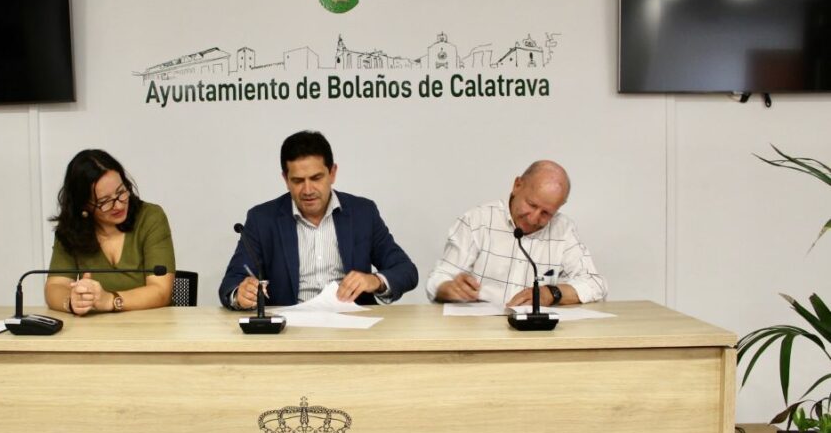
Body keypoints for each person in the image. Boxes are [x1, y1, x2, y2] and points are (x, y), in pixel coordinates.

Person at [218, 130, 418, 309]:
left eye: (316, 178)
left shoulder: (363, 213)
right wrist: (240, 294)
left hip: (353, 325)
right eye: (298, 181)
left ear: (332, 173)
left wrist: (374, 281)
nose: (307, 190)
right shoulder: (262, 219)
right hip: (290, 328)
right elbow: (231, 282)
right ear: (286, 179)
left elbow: (406, 270)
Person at [426, 160, 606, 307]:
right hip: (481, 331)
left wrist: (552, 293)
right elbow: (437, 279)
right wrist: (447, 288)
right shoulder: (476, 221)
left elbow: (596, 284)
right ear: (517, 185)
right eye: (531, 205)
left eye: (546, 213)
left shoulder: (564, 229)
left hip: (537, 335)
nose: (534, 218)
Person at [45, 149, 176, 314]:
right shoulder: (71, 230)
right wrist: (72, 302)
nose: (119, 205)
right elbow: (55, 286)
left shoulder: (150, 217)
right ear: (84, 205)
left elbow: (161, 291)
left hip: (152, 324)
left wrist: (110, 300)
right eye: (105, 201)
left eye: (121, 192)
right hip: (98, 327)